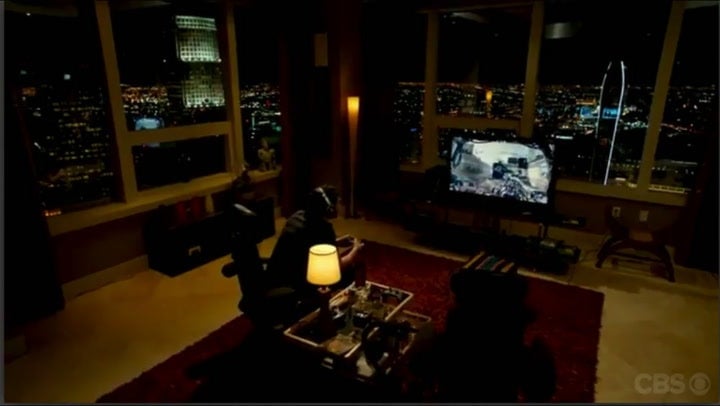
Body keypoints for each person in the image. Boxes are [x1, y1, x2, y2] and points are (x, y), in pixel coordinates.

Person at [266, 185, 364, 297]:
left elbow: (307, 244)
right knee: (350, 270)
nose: (339, 205)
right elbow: (338, 266)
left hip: (275, 279)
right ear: (330, 209)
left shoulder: (297, 216)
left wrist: (335, 242)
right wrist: (355, 250)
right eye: (338, 202)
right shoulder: (324, 229)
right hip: (296, 285)